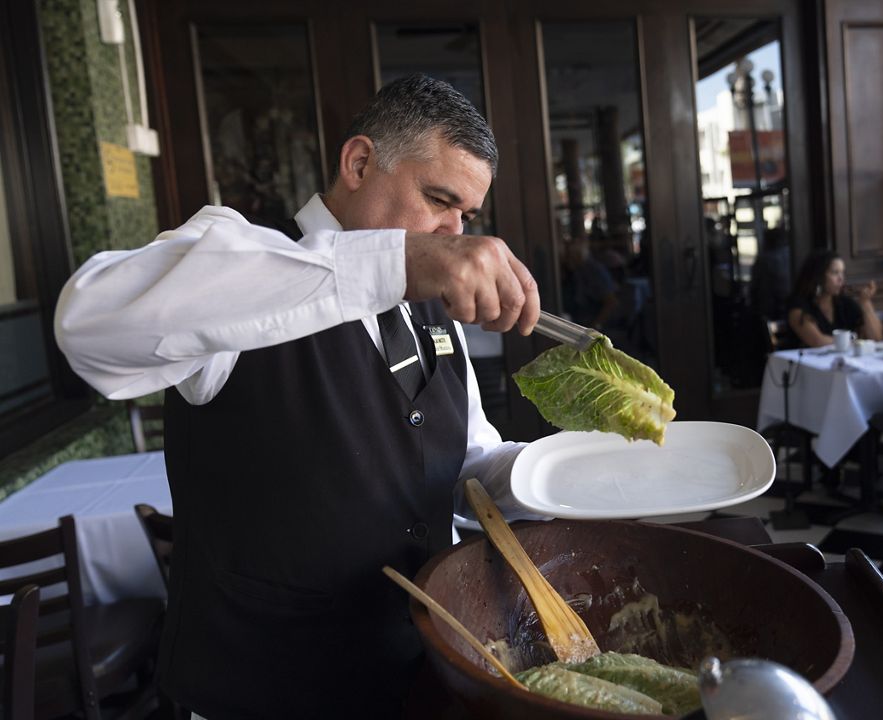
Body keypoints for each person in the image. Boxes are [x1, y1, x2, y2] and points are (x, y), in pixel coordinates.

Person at [54, 75, 540, 719]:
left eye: (465, 217)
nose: (452, 233)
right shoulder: (241, 263)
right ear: (359, 162)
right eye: (437, 199)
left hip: (417, 671)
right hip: (262, 691)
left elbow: (469, 461)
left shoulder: (431, 311)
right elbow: (88, 324)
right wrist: (389, 260)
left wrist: (572, 476)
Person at [786, 250, 883, 348]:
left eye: (842, 272)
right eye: (835, 272)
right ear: (818, 276)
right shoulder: (799, 306)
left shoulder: (844, 303)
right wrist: (856, 343)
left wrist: (865, 303)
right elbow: (817, 341)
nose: (841, 278)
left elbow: (876, 338)